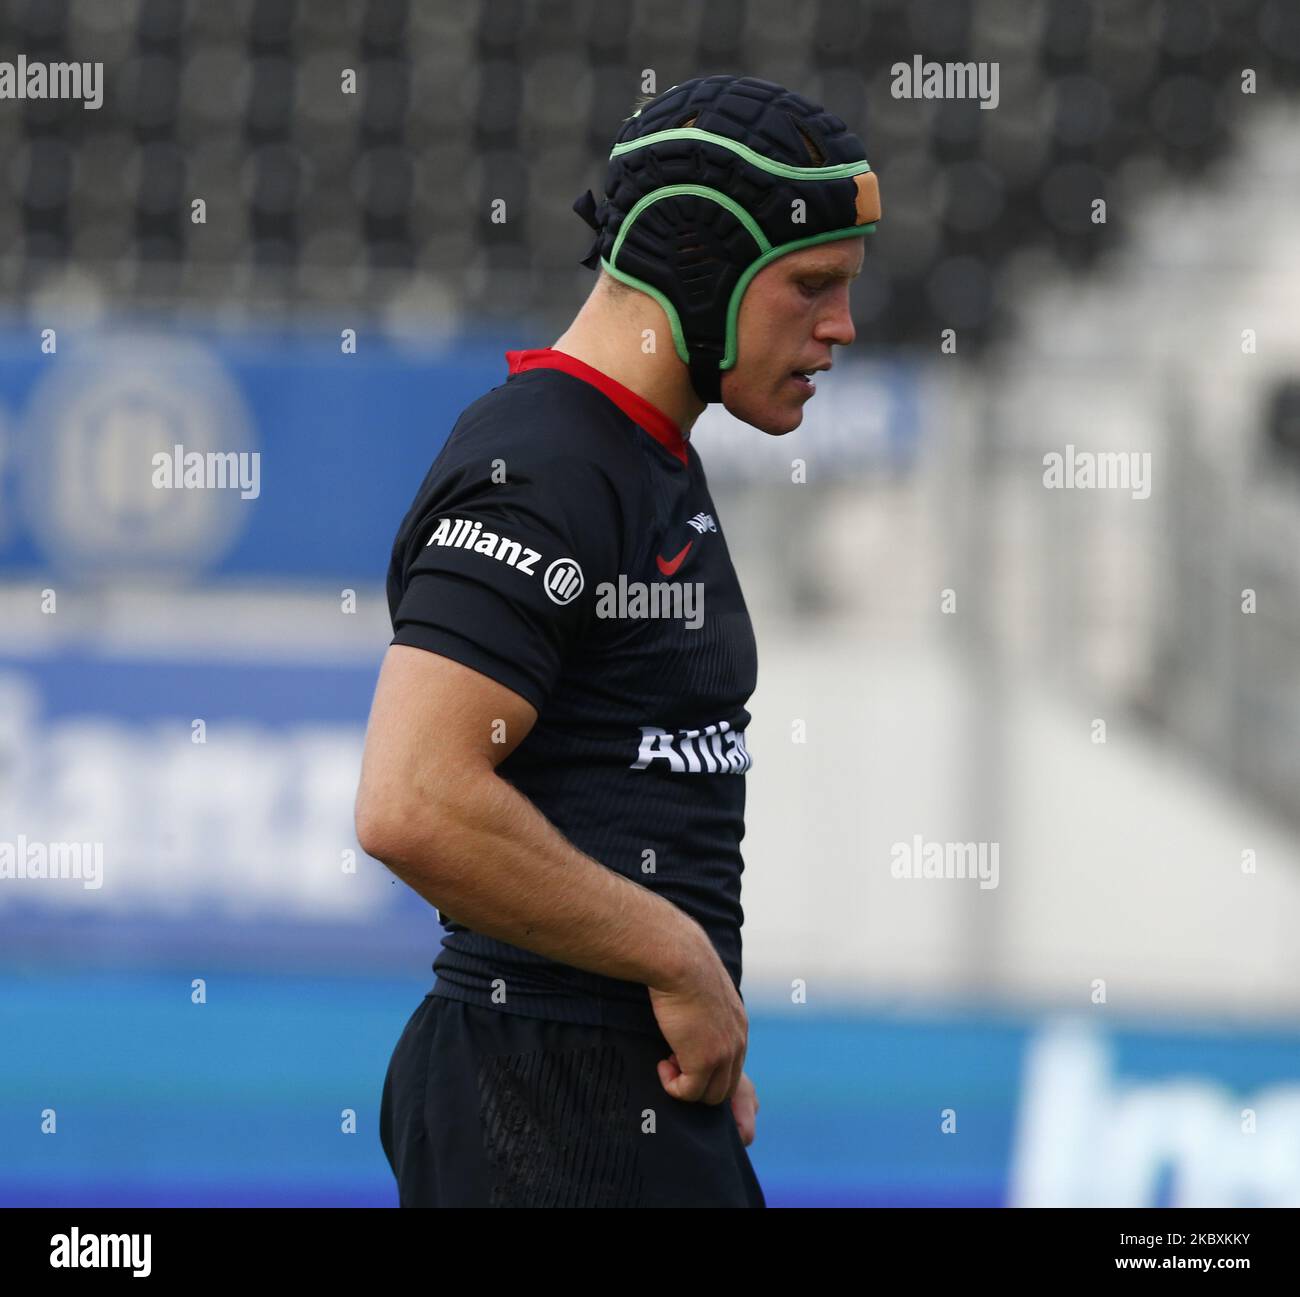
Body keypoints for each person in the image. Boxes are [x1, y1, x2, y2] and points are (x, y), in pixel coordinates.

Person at [355, 73, 880, 1208]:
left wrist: (696, 1009)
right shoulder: (542, 463)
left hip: (614, 1081)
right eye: (811, 285)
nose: (842, 324)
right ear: (699, 264)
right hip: (536, 1093)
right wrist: (675, 959)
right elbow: (414, 800)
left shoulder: (644, 452)